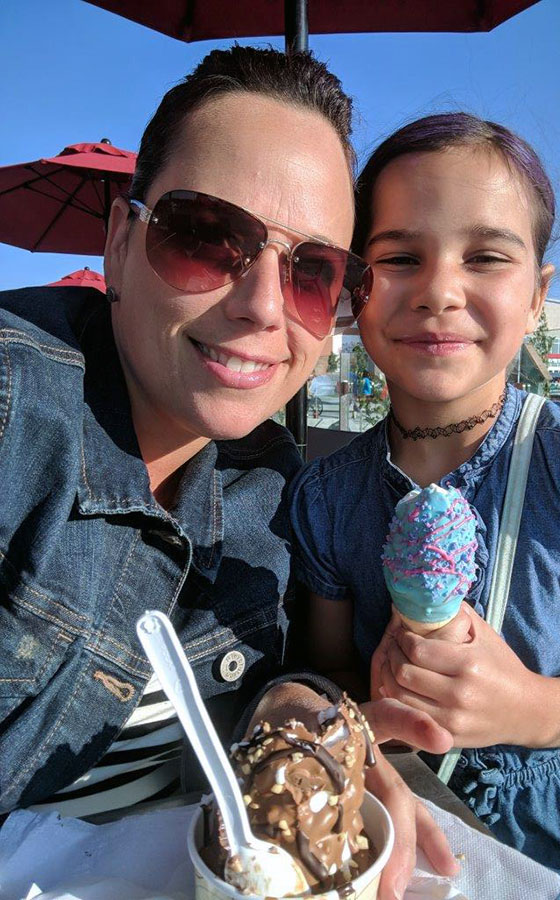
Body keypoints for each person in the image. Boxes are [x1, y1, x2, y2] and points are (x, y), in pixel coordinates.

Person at [0, 49, 458, 895]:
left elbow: (274, 671)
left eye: (315, 271)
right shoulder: (14, 407)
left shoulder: (270, 481)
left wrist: (292, 718)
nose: (262, 307)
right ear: (118, 241)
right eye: (207, 237)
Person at [290, 112, 560, 899]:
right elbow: (327, 667)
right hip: (412, 829)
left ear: (536, 297)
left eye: (486, 257)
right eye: (399, 257)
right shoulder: (326, 497)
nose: (438, 291)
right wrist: (371, 711)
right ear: (356, 289)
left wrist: (530, 706)